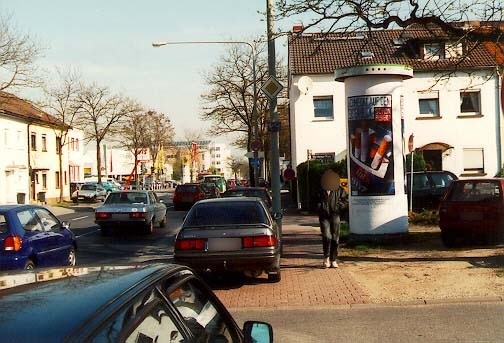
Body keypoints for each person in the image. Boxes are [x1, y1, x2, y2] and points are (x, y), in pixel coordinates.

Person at [316, 170, 349, 269]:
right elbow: (314, 201)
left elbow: (345, 200)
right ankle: (326, 257)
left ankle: (333, 259)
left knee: (335, 238)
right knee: (326, 236)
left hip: (335, 215)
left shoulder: (339, 190)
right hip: (324, 216)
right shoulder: (319, 190)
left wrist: (338, 208)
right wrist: (320, 207)